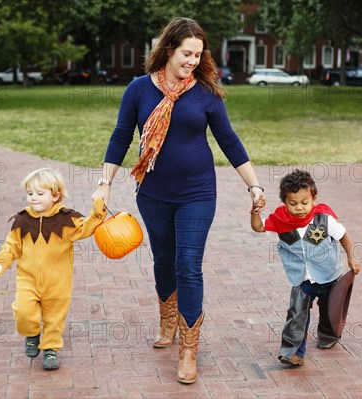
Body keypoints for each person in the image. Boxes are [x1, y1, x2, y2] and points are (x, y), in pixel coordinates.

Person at [92, 17, 265, 384]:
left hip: (198, 192)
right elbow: (121, 136)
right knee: (164, 260)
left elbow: (229, 140)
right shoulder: (138, 89)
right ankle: (167, 319)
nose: (192, 60)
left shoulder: (206, 93)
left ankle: (189, 347)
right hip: (153, 193)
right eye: (187, 53)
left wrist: (254, 186)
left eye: (198, 55)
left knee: (189, 264)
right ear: (169, 49)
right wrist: (105, 182)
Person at [0, 168, 107, 370]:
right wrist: (2, 260)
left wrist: (97, 212)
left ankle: (51, 349)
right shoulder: (22, 220)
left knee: (54, 317)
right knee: (23, 311)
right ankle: (32, 333)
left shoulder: (66, 220)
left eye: (39, 194)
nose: (33, 198)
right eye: (30, 193)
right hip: (28, 279)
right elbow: (12, 247)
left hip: (58, 282)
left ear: (55, 195)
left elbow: (86, 228)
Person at [250, 169, 360, 366]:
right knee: (297, 312)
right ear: (284, 202)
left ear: (314, 199)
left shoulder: (324, 219)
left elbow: (344, 236)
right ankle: (294, 352)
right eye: (293, 204)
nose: (299, 208)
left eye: (304, 202)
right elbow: (258, 227)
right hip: (301, 278)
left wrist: (352, 258)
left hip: (329, 275)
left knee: (329, 310)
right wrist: (255, 212)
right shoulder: (280, 221)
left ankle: (328, 336)